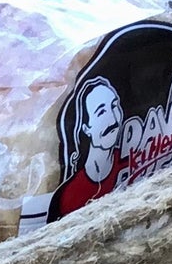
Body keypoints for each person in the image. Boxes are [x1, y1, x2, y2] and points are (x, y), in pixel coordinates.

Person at [51, 76, 124, 217]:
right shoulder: (69, 193)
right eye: (101, 112)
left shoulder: (128, 159)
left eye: (114, 106)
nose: (113, 120)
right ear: (86, 128)